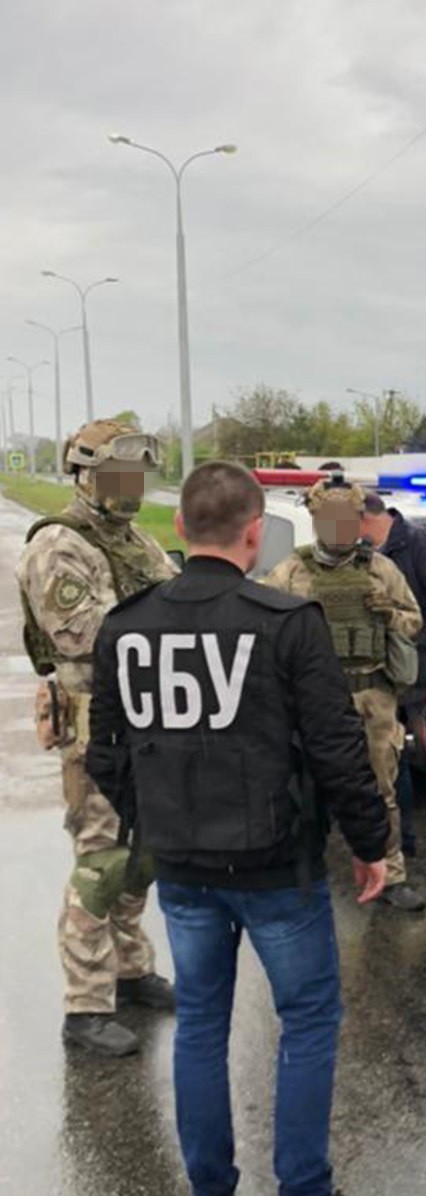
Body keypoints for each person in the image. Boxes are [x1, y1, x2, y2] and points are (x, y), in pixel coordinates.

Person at [87, 461, 392, 1196]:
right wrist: (373, 845)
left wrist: (152, 822)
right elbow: (337, 749)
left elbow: (105, 754)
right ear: (255, 532)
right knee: (308, 1023)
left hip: (183, 870)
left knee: (200, 1026)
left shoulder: (126, 626)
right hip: (275, 868)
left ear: (180, 528)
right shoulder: (285, 622)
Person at [16, 419, 178, 1059]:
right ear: (83, 474)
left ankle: (131, 969)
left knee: (142, 856)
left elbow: (172, 601)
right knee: (101, 862)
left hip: (145, 725)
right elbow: (84, 634)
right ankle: (85, 1005)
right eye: (118, 474)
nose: (130, 486)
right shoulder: (59, 543)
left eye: (137, 474)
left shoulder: (133, 540)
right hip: (96, 732)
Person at [265, 478, 426, 911]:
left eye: (347, 520)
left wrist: (387, 613)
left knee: (381, 790)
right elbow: (265, 628)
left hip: (372, 696)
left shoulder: (381, 570)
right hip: (315, 700)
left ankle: (392, 874)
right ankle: (302, 870)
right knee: (304, 789)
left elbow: (414, 622)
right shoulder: (291, 571)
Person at [359, 491, 426, 857]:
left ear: (364, 518)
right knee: (390, 760)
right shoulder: (361, 552)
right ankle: (401, 842)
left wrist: (417, 642)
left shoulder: (420, 543)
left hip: (423, 674)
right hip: (382, 675)